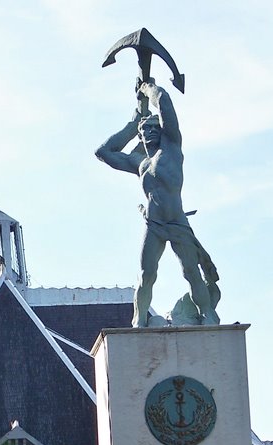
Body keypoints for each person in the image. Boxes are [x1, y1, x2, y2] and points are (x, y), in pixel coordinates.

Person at [96, 78, 220, 328]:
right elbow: (104, 152)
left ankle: (207, 314)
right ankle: (139, 319)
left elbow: (164, 102)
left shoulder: (172, 148)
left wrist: (147, 88)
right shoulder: (139, 163)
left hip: (176, 221)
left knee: (191, 272)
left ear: (162, 130)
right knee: (146, 275)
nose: (150, 131)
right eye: (145, 130)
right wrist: (133, 124)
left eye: (154, 128)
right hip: (154, 223)